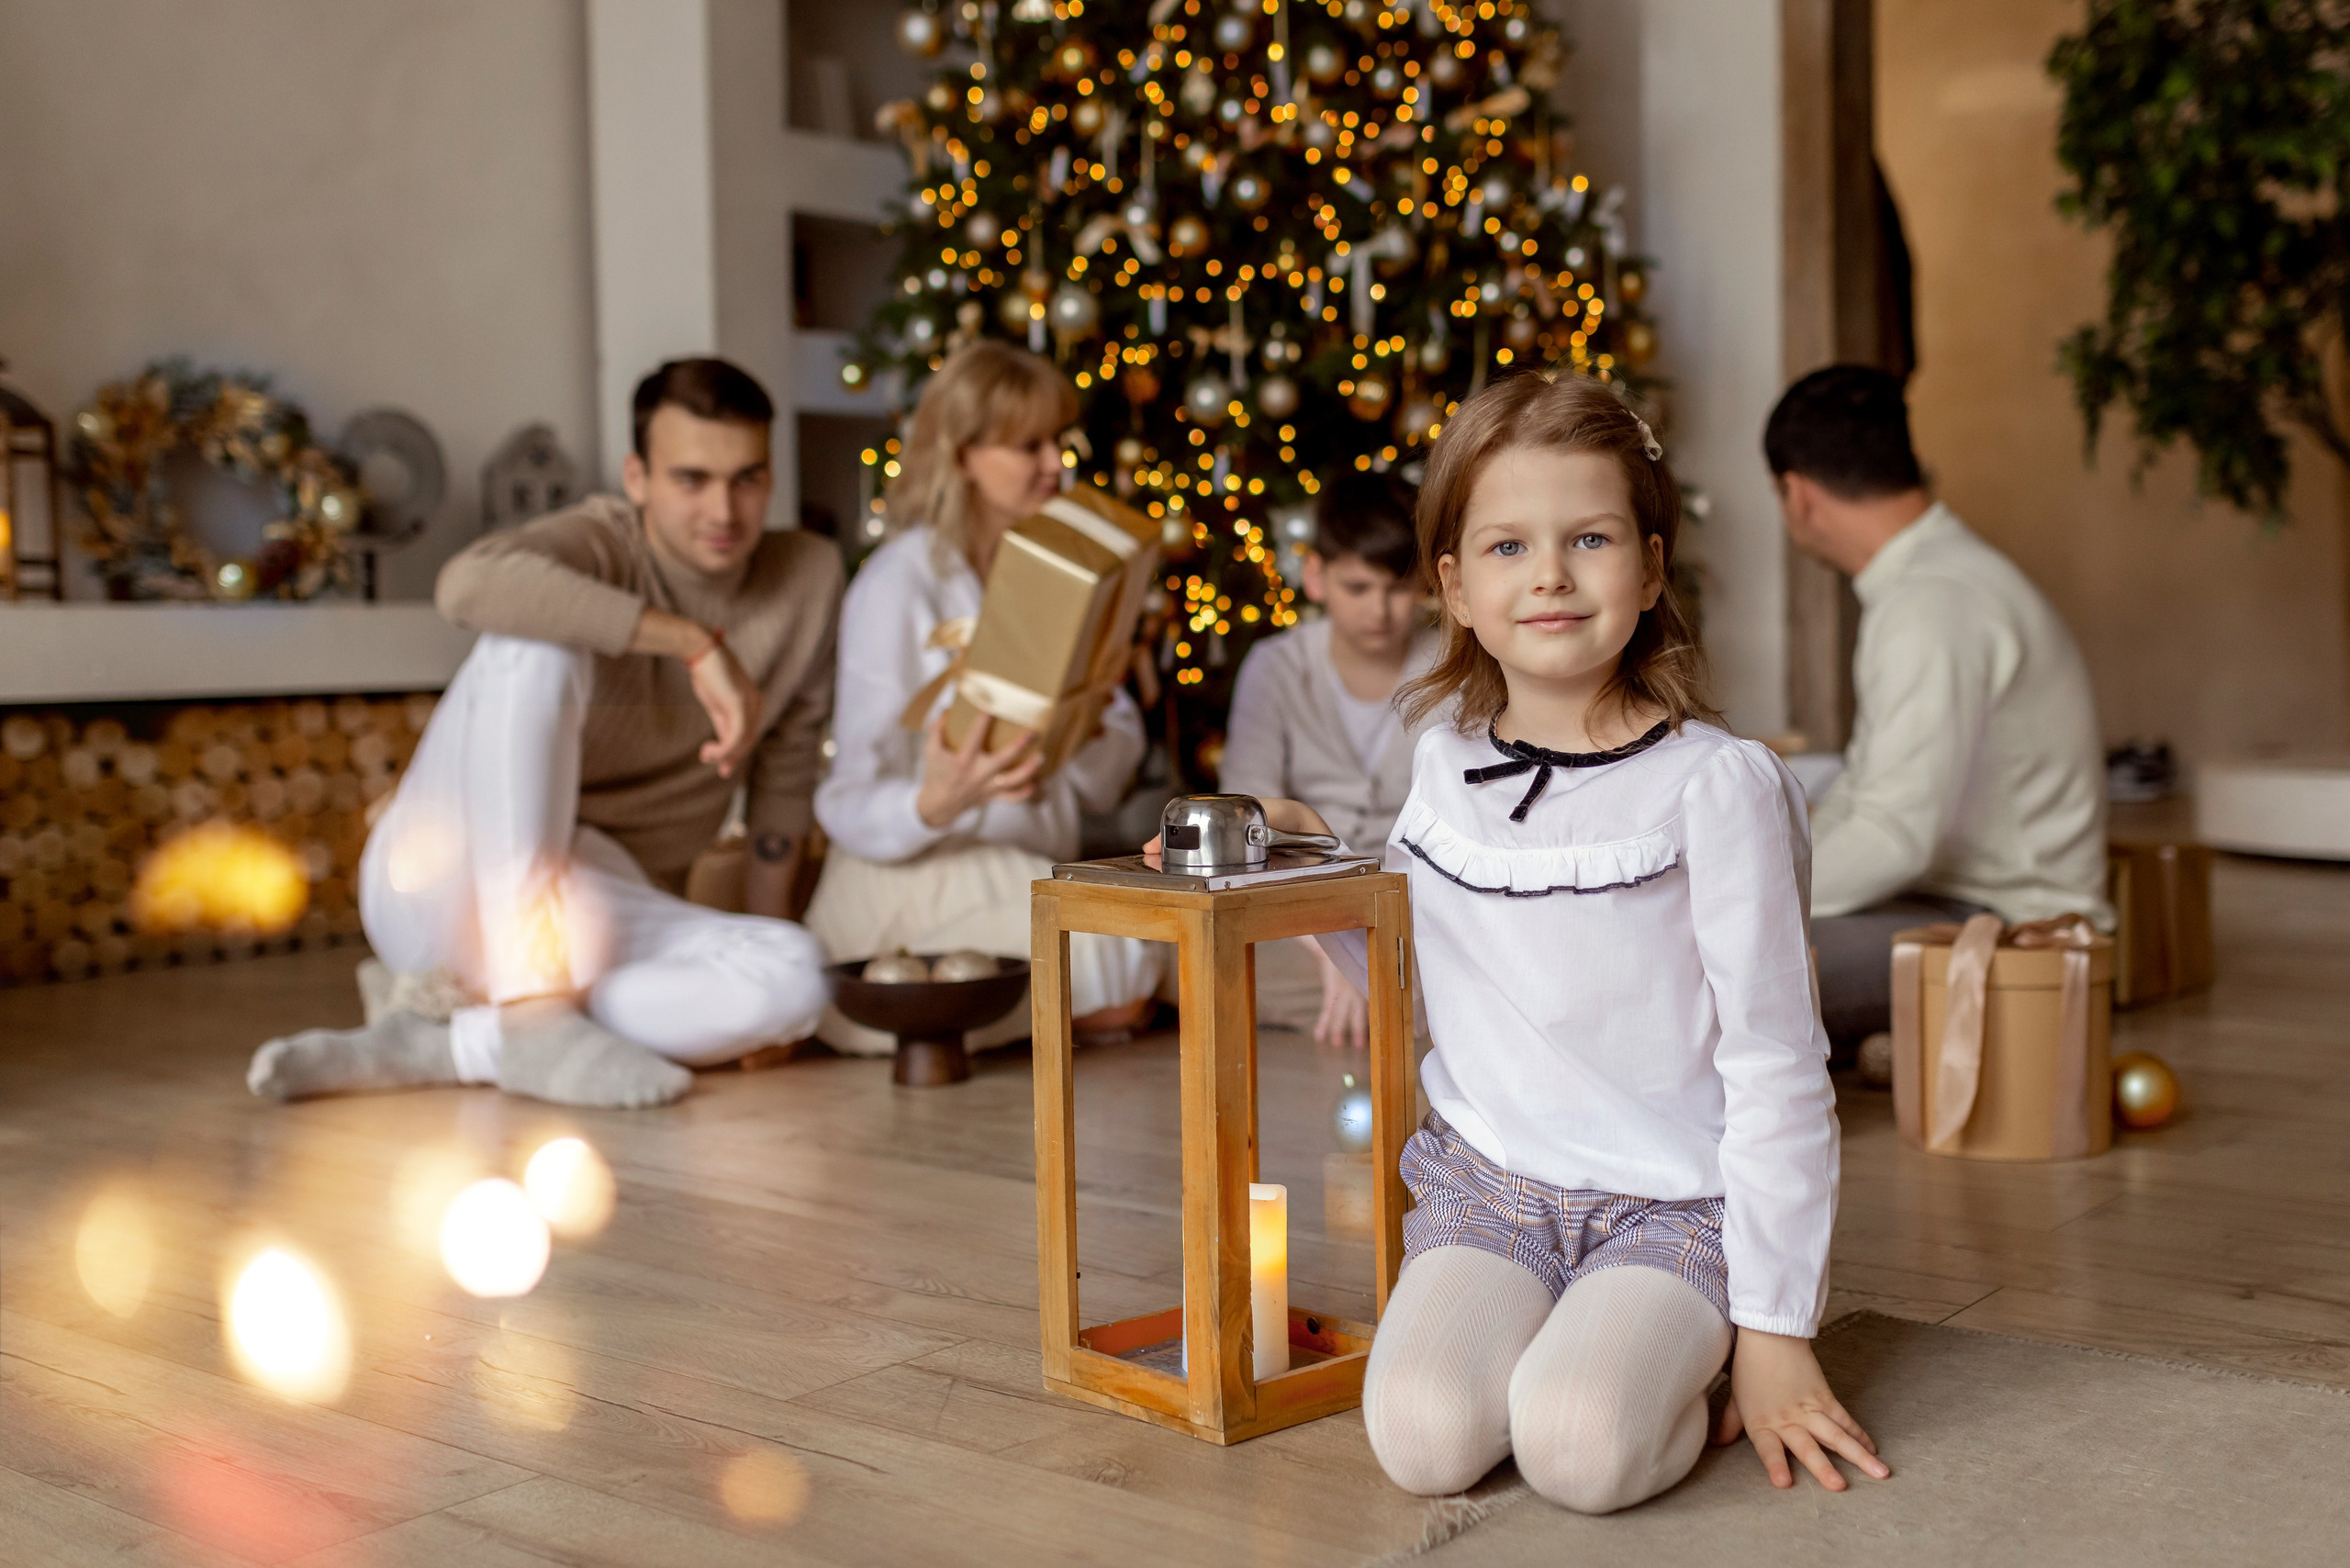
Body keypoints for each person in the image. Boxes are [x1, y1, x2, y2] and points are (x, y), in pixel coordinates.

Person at [1184, 373, 1886, 1513]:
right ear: (1454, 587)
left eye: (1591, 537)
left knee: (1577, 1452)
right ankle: (1574, 1329)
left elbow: (1776, 1062)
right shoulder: (1442, 762)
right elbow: (1420, 979)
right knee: (1418, 1439)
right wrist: (1308, 875)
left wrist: (1774, 1329)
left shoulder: (1717, 786)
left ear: (1649, 569)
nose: (1550, 573)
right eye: (1507, 546)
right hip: (1491, 1186)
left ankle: (1671, 1351)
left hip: (1671, 1199)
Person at [247, 358, 842, 1108]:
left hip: (604, 901)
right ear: (637, 478)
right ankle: (526, 1009)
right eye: (691, 479)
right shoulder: (602, 541)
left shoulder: (809, 575)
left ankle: (451, 1036)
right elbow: (466, 586)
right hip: (441, 883)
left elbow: (787, 774)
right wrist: (691, 641)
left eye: (747, 479)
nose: (723, 510)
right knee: (532, 639)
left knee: (797, 974)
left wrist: (762, 994)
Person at [805, 342, 1162, 1055]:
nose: (1054, 463)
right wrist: (932, 804)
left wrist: (1083, 718)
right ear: (961, 453)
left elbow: (1105, 779)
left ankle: (993, 1013)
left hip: (1022, 866)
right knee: (1118, 949)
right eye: (1027, 445)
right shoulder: (897, 585)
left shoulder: (1066, 571)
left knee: (1133, 937)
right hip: (906, 880)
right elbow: (845, 797)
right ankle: (902, 1002)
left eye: (1059, 440)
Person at [1765, 365, 2109, 1052]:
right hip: (1940, 896)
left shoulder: (1931, 603)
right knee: (1717, 956)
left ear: (1798, 496)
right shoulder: (1933, 583)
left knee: (1715, 974)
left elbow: (1896, 838)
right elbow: (1871, 798)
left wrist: (1744, 898)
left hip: (2015, 926)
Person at [1219, 470, 1441, 1047]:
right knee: (1204, 960)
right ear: (1315, 576)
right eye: (1358, 588)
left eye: (1397, 588)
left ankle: (1390, 998)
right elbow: (1248, 821)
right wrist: (1327, 944)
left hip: (1422, 912)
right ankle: (1395, 1004)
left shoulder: (1452, 666)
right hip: (1300, 911)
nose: (1381, 610)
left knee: (1445, 965)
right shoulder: (1276, 667)